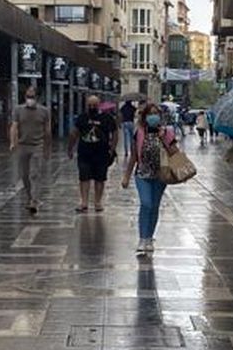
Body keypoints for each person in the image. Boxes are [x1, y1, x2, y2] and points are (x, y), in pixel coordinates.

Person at [121, 101, 176, 257]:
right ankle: (142, 238)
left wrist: (164, 137)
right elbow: (134, 156)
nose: (154, 117)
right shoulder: (138, 132)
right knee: (146, 203)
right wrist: (126, 176)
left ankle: (150, 238)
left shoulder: (168, 132)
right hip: (142, 174)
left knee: (155, 207)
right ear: (145, 117)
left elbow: (174, 152)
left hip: (161, 175)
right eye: (150, 114)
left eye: (156, 114)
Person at [69, 94, 118, 213]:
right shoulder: (82, 118)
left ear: (99, 105)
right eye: (90, 105)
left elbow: (115, 132)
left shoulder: (107, 118)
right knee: (84, 178)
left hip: (101, 154)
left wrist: (112, 149)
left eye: (94, 105)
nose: (92, 107)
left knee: (100, 179)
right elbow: (74, 133)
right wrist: (70, 148)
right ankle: (84, 202)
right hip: (84, 153)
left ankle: (97, 202)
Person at [9, 85, 52, 215]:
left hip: (37, 145)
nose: (30, 99)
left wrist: (47, 148)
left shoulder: (44, 111)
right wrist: (12, 142)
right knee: (24, 175)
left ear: (37, 98)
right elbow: (14, 126)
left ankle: (34, 200)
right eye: (28, 97)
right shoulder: (18, 110)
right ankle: (29, 197)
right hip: (23, 145)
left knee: (35, 174)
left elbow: (47, 130)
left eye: (32, 97)